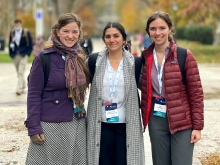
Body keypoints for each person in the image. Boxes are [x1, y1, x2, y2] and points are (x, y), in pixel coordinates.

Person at [140, 11, 204, 165]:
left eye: (162, 28)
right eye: (153, 29)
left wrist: (197, 127)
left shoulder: (184, 55)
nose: (158, 33)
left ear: (169, 29)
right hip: (156, 117)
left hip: (182, 118)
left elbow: (196, 94)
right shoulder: (144, 58)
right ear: (148, 31)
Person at [25, 13, 90, 164]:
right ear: (57, 32)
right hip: (51, 124)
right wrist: (33, 127)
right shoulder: (44, 58)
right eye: (66, 31)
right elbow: (34, 94)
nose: (70, 36)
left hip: (77, 121)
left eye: (74, 32)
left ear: (79, 33)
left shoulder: (79, 57)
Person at [86, 22, 145, 165]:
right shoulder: (94, 61)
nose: (112, 40)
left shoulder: (135, 63)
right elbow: (77, 85)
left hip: (126, 125)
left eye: (116, 36)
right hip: (101, 125)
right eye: (108, 36)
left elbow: (150, 88)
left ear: (124, 39)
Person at [9, 19, 33, 95]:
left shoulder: (26, 32)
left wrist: (28, 53)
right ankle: (23, 85)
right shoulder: (12, 33)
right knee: (18, 72)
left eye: (18, 23)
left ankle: (18, 89)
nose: (17, 25)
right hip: (15, 55)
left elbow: (30, 43)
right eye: (16, 24)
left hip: (24, 54)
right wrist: (11, 53)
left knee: (21, 71)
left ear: (21, 24)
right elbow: (10, 43)